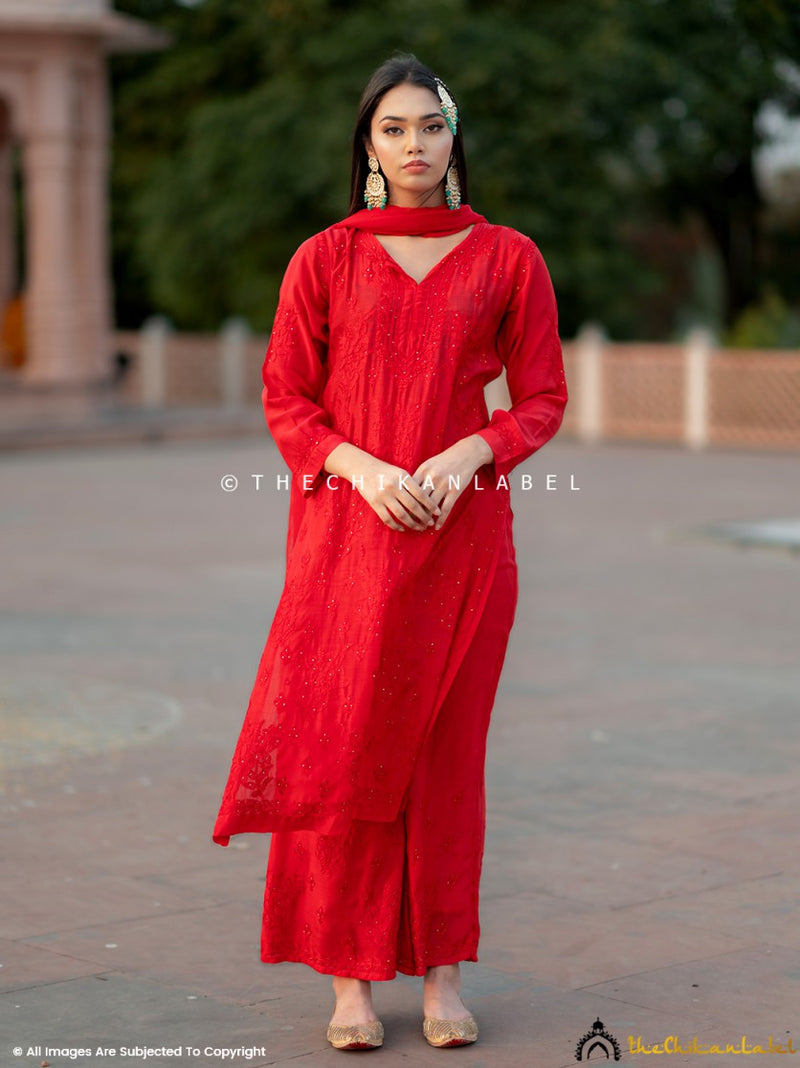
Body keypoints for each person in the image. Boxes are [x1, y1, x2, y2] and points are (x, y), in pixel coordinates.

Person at [212, 53, 568, 1051]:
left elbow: (540, 396)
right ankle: (349, 981)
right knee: (343, 749)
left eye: (431, 126)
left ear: (456, 141)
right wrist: (363, 470)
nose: (415, 145)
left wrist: (471, 449)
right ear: (367, 147)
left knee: (446, 762)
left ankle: (444, 974)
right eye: (394, 129)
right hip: (344, 544)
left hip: (461, 549)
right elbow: (287, 397)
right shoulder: (322, 259)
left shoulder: (507, 259)